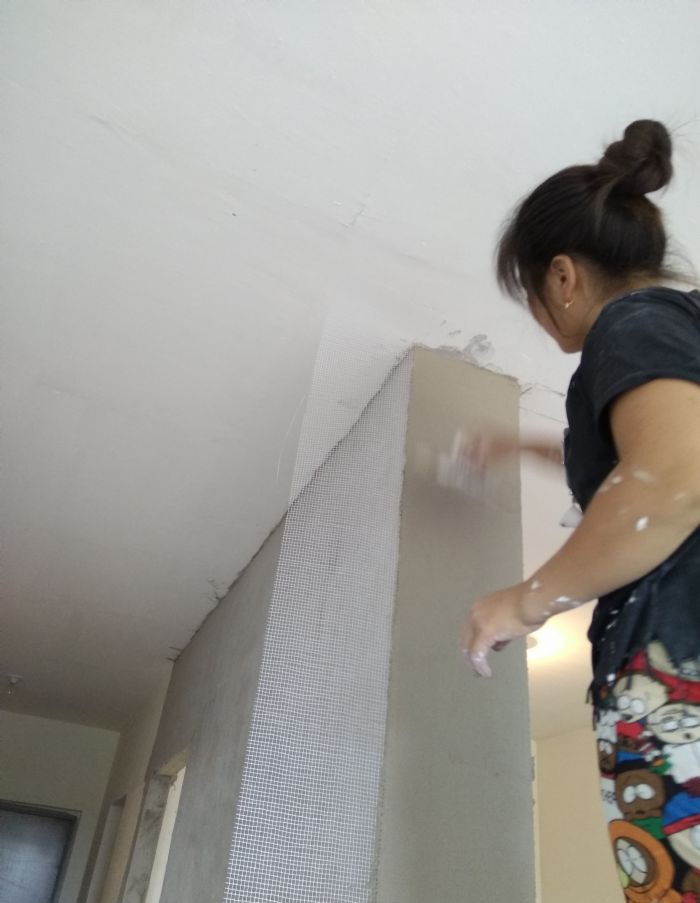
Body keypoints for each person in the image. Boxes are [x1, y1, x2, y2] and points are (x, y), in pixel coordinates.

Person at [460, 119, 700, 900]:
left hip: (678, 674)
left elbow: (670, 479)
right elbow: (645, 456)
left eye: (531, 296)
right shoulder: (675, 328)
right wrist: (524, 446)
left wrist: (524, 600)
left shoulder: (631, 323)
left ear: (562, 277)